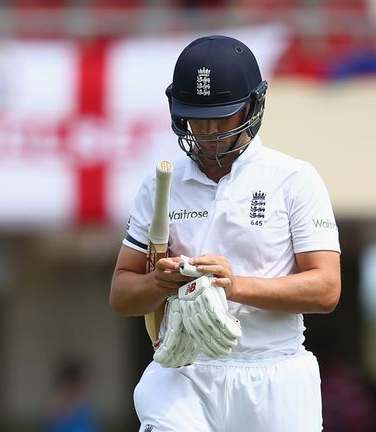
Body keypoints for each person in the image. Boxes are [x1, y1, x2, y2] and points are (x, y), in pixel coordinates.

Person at [109, 35, 341, 431]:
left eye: (222, 115)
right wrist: (159, 282)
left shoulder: (294, 179)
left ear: (252, 106)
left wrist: (233, 285)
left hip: (275, 374)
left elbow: (326, 289)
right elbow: (122, 296)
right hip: (184, 372)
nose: (207, 130)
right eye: (196, 116)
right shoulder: (161, 184)